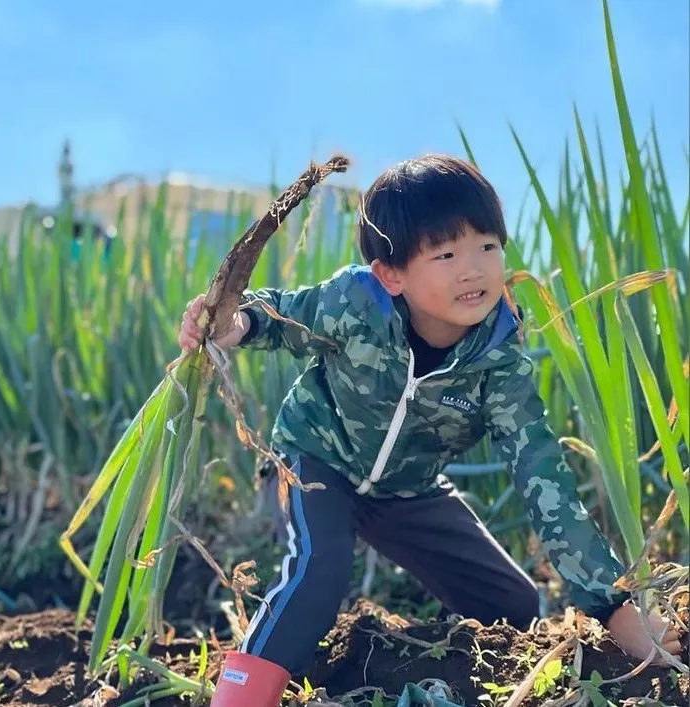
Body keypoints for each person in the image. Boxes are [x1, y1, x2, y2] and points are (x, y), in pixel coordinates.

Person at [177, 154, 684, 707]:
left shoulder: (499, 362)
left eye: (487, 247)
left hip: (408, 492)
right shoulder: (355, 302)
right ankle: (241, 698)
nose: (473, 270)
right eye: (445, 254)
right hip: (316, 462)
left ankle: (429, 664)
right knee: (319, 571)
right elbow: (280, 316)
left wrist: (613, 607)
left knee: (512, 604)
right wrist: (235, 322)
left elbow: (545, 481)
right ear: (391, 275)